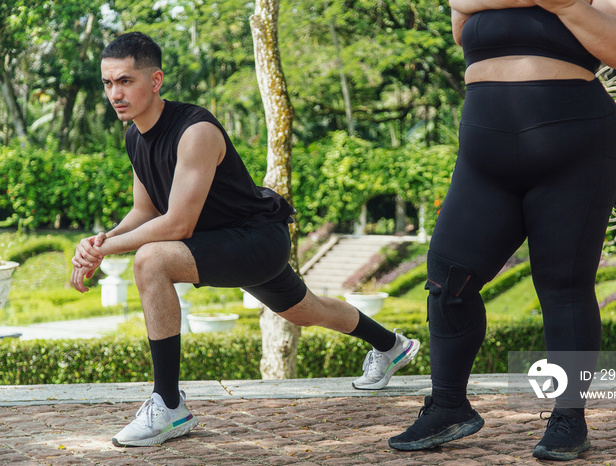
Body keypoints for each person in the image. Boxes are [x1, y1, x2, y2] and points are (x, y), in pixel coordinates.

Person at [70, 32, 420, 448]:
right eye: (108, 83)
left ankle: (168, 405)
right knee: (307, 312)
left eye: (125, 80)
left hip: (256, 239)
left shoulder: (195, 130)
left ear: (156, 80)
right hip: (219, 244)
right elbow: (145, 211)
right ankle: (392, 345)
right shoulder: (135, 137)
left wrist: (107, 249)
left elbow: (177, 224)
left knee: (151, 260)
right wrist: (99, 241)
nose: (115, 93)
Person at [387, 0, 616, 461]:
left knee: (563, 287)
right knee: (449, 278)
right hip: (486, 146)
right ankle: (449, 406)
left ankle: (569, 418)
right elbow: (461, 22)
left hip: (575, 141)